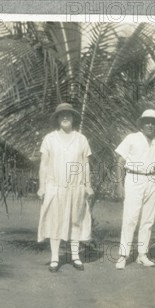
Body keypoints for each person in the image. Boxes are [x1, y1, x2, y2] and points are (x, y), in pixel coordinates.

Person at [37, 103, 93, 272]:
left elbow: (85, 165)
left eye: (68, 114)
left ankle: (75, 257)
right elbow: (44, 165)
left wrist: (88, 186)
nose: (65, 117)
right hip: (55, 187)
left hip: (76, 187)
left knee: (75, 220)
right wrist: (42, 187)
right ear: (57, 118)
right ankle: (55, 258)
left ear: (73, 117)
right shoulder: (50, 139)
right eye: (62, 115)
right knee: (55, 221)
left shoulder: (81, 139)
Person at [115, 109, 155, 269]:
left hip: (153, 180)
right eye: (147, 122)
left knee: (148, 220)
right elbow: (120, 161)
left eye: (153, 122)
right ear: (142, 124)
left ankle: (142, 254)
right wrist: (119, 184)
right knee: (130, 218)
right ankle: (123, 256)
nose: (150, 125)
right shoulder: (132, 138)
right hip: (134, 178)